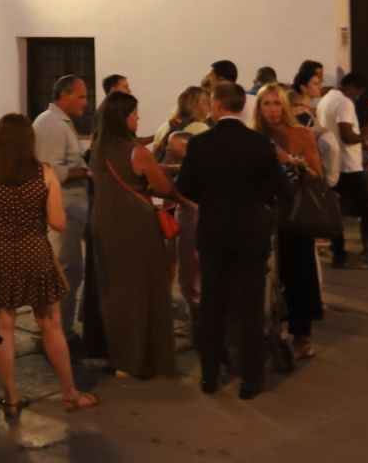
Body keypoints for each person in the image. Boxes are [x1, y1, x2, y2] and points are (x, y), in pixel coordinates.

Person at [0, 113, 95, 414]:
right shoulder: (44, 173)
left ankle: (11, 399)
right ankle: (69, 393)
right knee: (50, 324)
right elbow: (58, 222)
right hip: (34, 254)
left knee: (3, 326)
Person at [176, 82, 290, 400]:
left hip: (214, 232)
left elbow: (185, 187)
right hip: (251, 233)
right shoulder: (259, 144)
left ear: (218, 104)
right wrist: (260, 203)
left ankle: (210, 376)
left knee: (212, 305)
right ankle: (251, 379)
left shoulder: (200, 144)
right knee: (250, 308)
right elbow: (281, 188)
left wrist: (212, 198)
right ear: (240, 107)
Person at [89, 91, 180, 379]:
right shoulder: (136, 151)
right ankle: (141, 358)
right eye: (133, 114)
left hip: (104, 223)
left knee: (114, 292)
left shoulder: (97, 148)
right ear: (122, 118)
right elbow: (162, 186)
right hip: (136, 226)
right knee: (143, 291)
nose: (138, 118)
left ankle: (119, 357)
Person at [251, 84, 324, 361]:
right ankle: (271, 329)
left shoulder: (300, 134)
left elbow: (317, 174)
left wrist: (292, 161)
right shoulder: (254, 136)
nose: (272, 110)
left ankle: (301, 334)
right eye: (267, 104)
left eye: (277, 103)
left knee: (299, 275)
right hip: (263, 214)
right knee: (267, 276)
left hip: (294, 214)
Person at [32, 76, 94, 350]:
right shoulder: (51, 124)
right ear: (63, 95)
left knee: (72, 270)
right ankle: (58, 332)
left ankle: (62, 328)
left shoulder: (61, 123)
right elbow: (50, 171)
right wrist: (86, 173)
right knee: (65, 271)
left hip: (72, 209)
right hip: (62, 210)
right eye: (80, 96)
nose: (85, 102)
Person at [317, 74, 368, 271]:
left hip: (332, 164)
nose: (357, 98)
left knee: (336, 210)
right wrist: (365, 134)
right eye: (358, 94)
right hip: (348, 165)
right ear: (353, 87)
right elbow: (347, 136)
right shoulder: (344, 102)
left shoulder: (325, 100)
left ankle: (338, 253)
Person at [290, 60, 324, 128]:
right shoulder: (301, 111)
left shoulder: (308, 109)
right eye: (315, 84)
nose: (320, 87)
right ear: (303, 87)